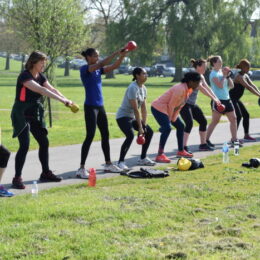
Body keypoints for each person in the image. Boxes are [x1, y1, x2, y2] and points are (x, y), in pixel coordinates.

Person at [11, 51, 73, 189]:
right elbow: (41, 90)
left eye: (44, 62)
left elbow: (51, 89)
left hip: (33, 113)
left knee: (44, 142)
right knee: (25, 145)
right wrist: (63, 101)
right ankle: (17, 178)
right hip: (21, 113)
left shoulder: (41, 76)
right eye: (41, 62)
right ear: (33, 63)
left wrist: (66, 99)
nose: (44, 64)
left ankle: (45, 173)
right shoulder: (25, 76)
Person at [77, 48, 128, 178]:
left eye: (98, 56)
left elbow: (114, 66)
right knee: (90, 135)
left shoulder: (98, 70)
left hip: (100, 107)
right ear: (88, 57)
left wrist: (122, 56)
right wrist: (115, 52)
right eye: (95, 56)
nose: (97, 58)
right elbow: (100, 64)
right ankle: (81, 168)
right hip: (90, 107)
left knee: (105, 134)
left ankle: (108, 164)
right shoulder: (85, 69)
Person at [151, 71, 202, 163]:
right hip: (158, 108)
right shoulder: (180, 89)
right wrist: (169, 120)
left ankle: (181, 151)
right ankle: (159, 155)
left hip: (167, 109)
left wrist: (173, 118)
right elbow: (171, 106)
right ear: (191, 81)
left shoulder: (188, 89)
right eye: (197, 82)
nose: (198, 85)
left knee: (180, 126)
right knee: (167, 128)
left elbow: (179, 106)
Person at [116, 67, 155, 171]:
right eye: (144, 74)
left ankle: (143, 158)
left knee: (149, 132)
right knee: (130, 136)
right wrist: (140, 128)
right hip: (123, 116)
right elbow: (135, 109)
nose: (146, 76)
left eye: (146, 74)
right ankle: (120, 162)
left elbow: (143, 108)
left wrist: (144, 126)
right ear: (137, 75)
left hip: (132, 117)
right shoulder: (133, 87)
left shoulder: (144, 88)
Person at [180, 59, 221, 152]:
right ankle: (183, 147)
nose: (205, 69)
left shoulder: (201, 76)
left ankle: (203, 144)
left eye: (206, 67)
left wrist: (216, 98)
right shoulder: (193, 75)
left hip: (192, 104)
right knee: (189, 123)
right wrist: (214, 99)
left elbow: (207, 87)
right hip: (184, 104)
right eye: (203, 67)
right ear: (198, 66)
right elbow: (202, 89)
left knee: (203, 121)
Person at [206, 55, 241, 147]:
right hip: (218, 100)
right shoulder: (213, 74)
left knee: (234, 119)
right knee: (215, 121)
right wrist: (225, 76)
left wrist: (228, 76)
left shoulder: (222, 73)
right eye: (219, 62)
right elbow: (220, 86)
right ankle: (205, 140)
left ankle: (234, 140)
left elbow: (231, 86)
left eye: (221, 62)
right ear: (214, 63)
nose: (221, 63)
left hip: (227, 99)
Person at [230, 59, 260, 141]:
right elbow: (248, 87)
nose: (249, 69)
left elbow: (252, 85)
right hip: (231, 98)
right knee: (238, 116)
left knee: (246, 115)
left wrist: (259, 93)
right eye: (248, 68)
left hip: (236, 99)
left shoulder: (246, 75)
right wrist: (259, 95)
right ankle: (234, 137)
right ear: (243, 68)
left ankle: (246, 135)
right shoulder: (239, 76)